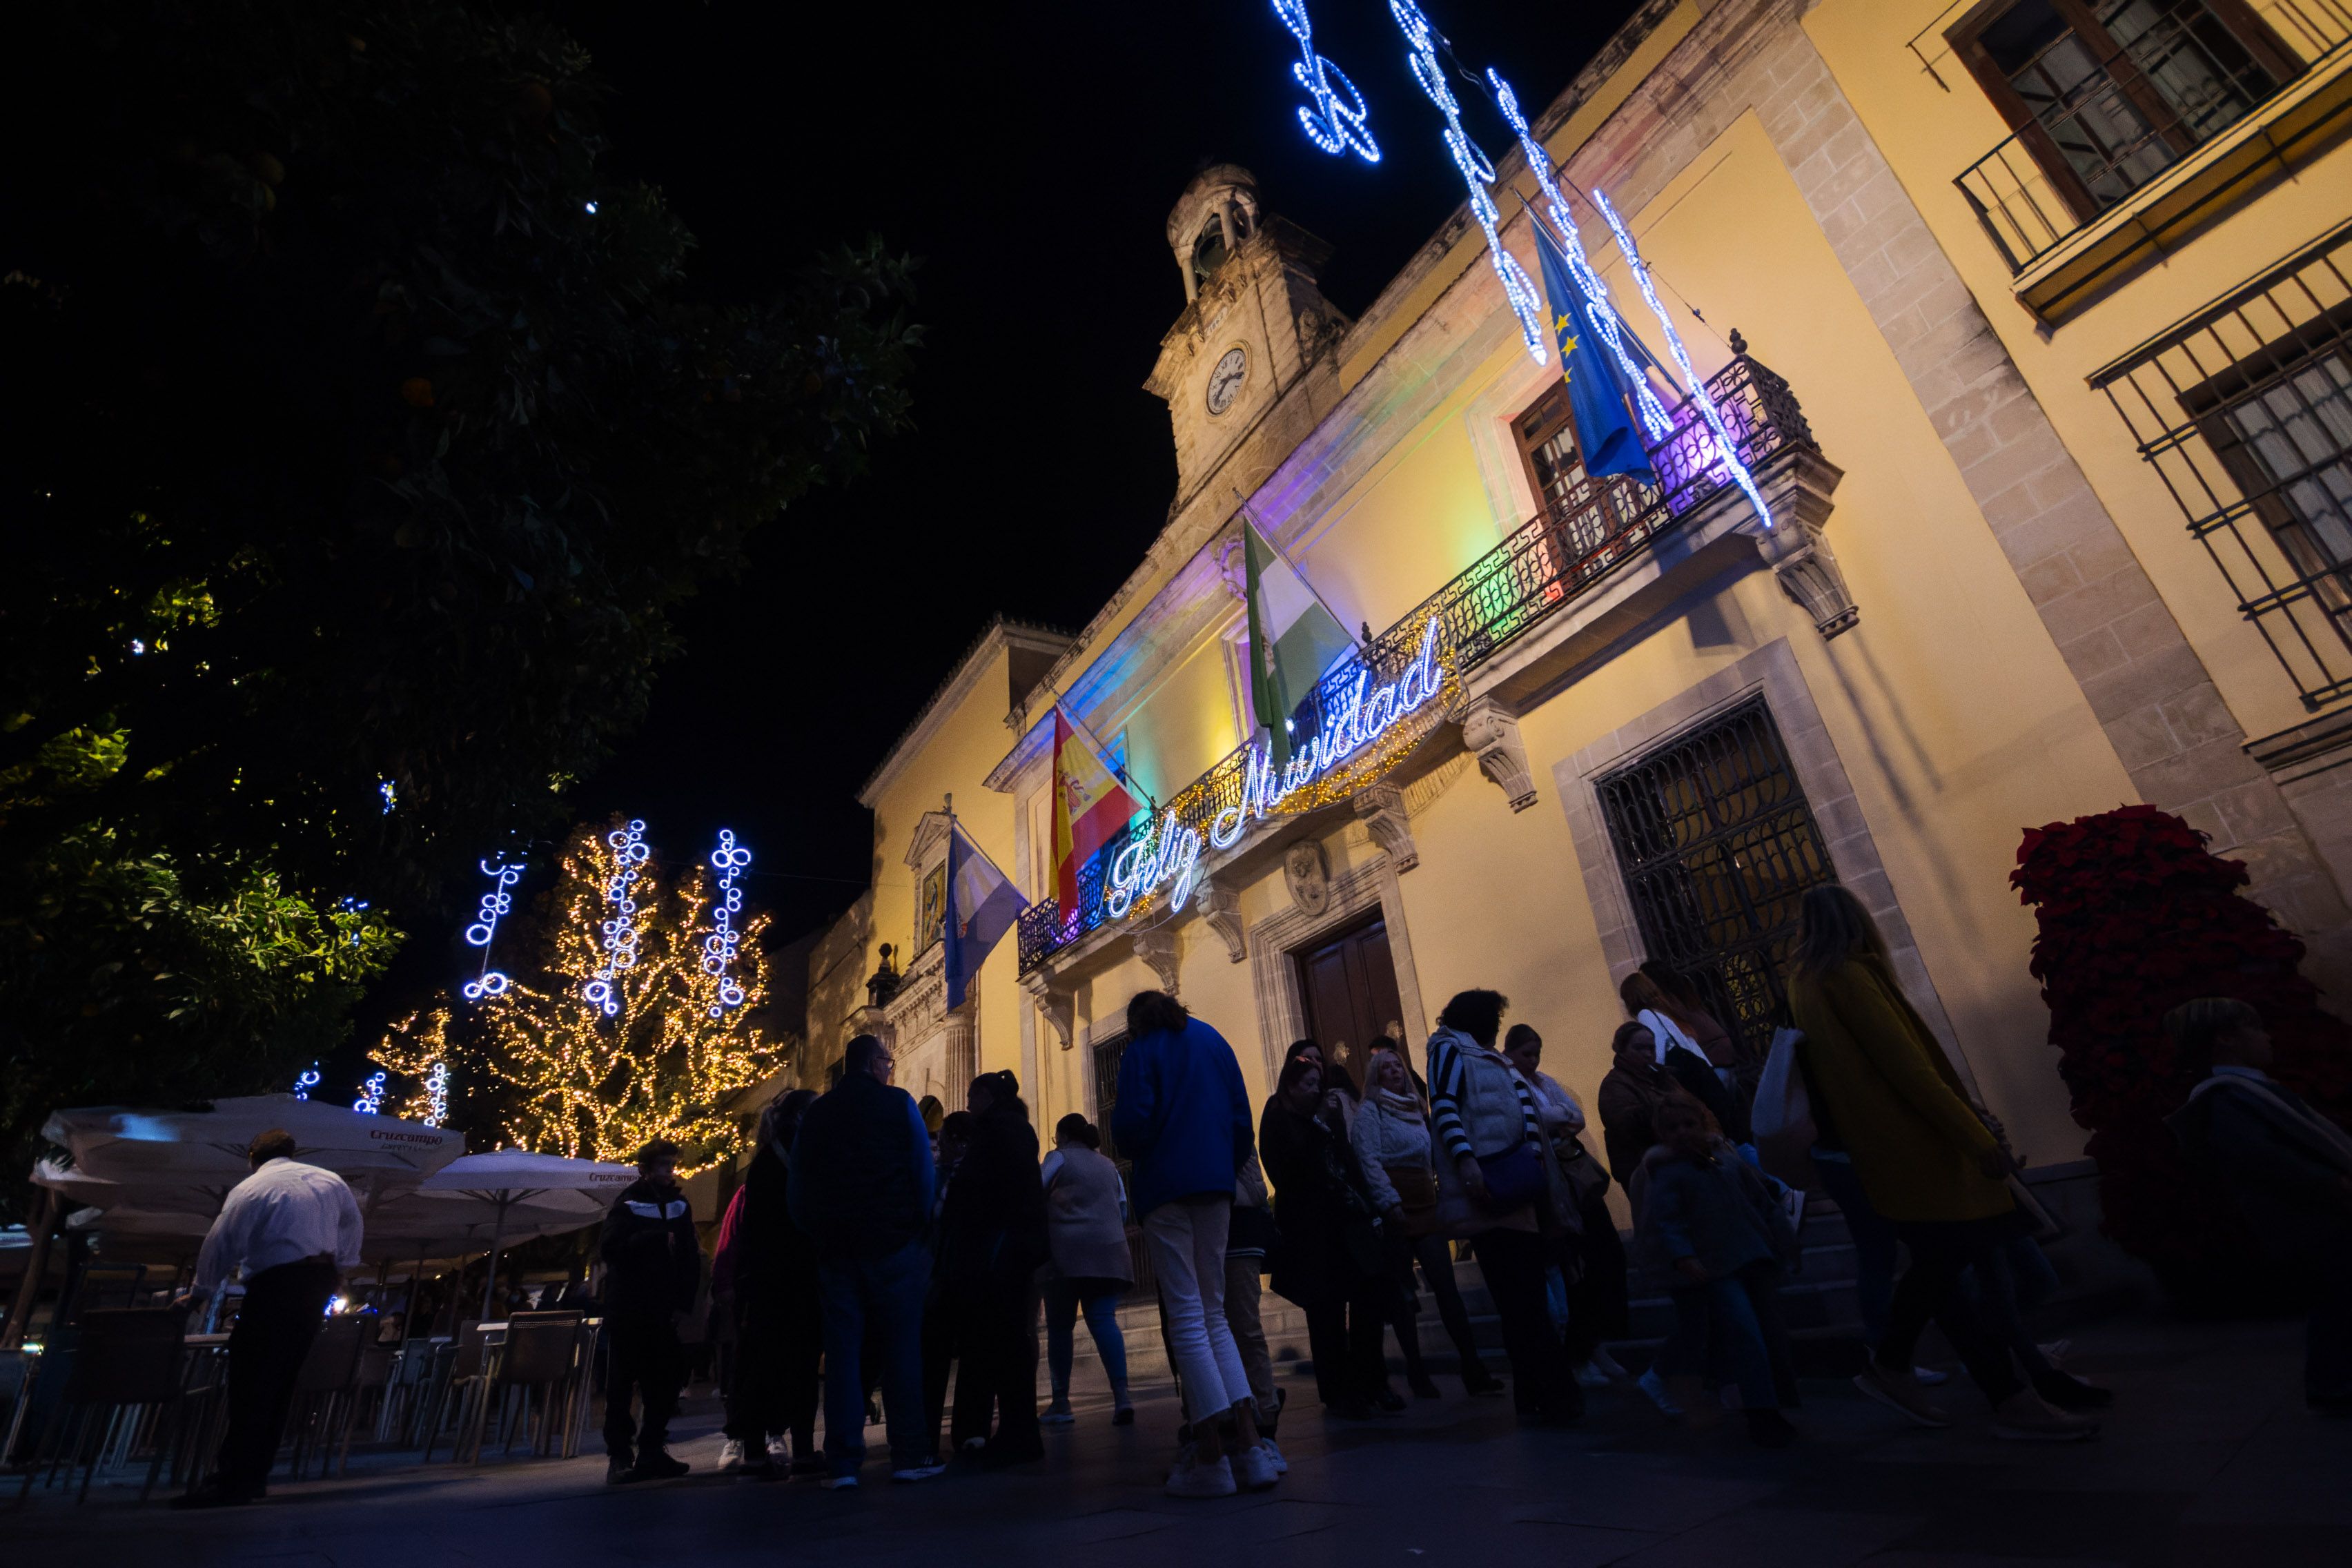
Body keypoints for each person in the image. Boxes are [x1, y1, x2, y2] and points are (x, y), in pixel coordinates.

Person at [1788, 884, 2093, 1441]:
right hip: (1921, 1150)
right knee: (1955, 1264)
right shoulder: (1851, 977)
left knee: (1944, 1277)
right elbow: (1911, 1070)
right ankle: (1914, 1369)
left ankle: (2007, 1391)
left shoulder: (1804, 984)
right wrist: (1977, 1137)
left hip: (1883, 1153)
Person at [1110, 990, 1275, 1499]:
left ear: (1138, 1022)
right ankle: (1252, 1448)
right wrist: (1218, 1166)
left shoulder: (1141, 1051)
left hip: (1167, 1190)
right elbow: (1242, 1124)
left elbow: (1130, 1129)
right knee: (1215, 1314)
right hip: (1216, 1186)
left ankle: (1211, 1455)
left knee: (1185, 1316)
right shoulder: (1214, 1041)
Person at [2166, 997, 2352, 1415]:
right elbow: (2264, 1158)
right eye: (2257, 1028)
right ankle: (2331, 1386)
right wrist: (2333, 1184)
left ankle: (2333, 1383)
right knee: (2336, 1301)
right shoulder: (2227, 1096)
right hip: (2308, 1220)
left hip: (2315, 1216)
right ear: (2226, 1039)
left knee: (2337, 1300)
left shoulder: (2247, 1090)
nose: (2268, 1037)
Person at [170, 1130, 363, 1509]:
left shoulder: (251, 1189)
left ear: (252, 1156)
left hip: (278, 1282)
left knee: (251, 1378)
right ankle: (253, 1474)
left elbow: (220, 1241)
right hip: (317, 1281)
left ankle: (234, 1479)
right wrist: (342, 1267)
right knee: (281, 1380)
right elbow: (352, 1223)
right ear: (293, 1152)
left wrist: (200, 1292)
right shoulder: (328, 1180)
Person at [788, 1034, 942, 1487]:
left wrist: (817, 1232)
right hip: (894, 1245)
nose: (891, 1070)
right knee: (901, 1350)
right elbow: (921, 1169)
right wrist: (917, 1225)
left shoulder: (817, 1113)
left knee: (841, 1357)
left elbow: (798, 1184)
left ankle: (842, 1463)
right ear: (876, 1063)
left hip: (837, 1250)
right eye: (889, 1062)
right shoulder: (899, 1104)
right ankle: (910, 1454)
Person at [1427, 990, 1581, 1427]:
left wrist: (1533, 1153)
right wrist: (1467, 1162)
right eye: (1493, 1017)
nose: (1497, 1025)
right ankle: (1557, 1393)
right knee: (1523, 1302)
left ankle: (1531, 1395)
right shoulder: (1448, 1050)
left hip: (1518, 1185)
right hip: (1488, 1191)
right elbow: (1445, 1107)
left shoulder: (1489, 1056)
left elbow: (1523, 1109)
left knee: (1524, 1301)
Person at [1639, 1095, 1801, 1447]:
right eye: (1672, 1128)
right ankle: (1761, 1412)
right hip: (1717, 1265)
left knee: (1770, 1332)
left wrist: (1785, 1242)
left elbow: (1761, 1201)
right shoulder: (1668, 1173)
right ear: (1661, 1134)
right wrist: (1684, 1256)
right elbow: (1669, 1221)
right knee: (1746, 1334)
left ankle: (1774, 1402)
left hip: (1753, 1256)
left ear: (1702, 1124)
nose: (1682, 1133)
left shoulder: (1725, 1161)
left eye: (1689, 1124)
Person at [1262, 1055, 1395, 1417]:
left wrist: (1368, 1206)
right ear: (1290, 1085)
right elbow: (1285, 1172)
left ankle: (1370, 1380)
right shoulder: (1279, 1117)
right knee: (1326, 1314)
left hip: (1347, 1222)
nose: (1316, 1090)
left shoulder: (1326, 1116)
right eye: (1308, 1083)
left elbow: (1345, 1161)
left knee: (1369, 1296)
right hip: (1312, 1231)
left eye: (1318, 1083)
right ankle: (1337, 1392)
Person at [1505, 1024, 1627, 1389]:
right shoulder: (1510, 1082)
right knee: (1574, 1267)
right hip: (1551, 1185)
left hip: (1575, 1178)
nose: (1533, 1060)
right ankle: (1578, 1354)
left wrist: (1554, 1119)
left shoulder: (1544, 1082)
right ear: (1509, 1051)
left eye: (1536, 1053)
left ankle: (1596, 1343)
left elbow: (1576, 1116)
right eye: (1526, 1053)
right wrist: (1555, 1119)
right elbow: (1532, 1121)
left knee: (1605, 1256)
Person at [939, 1069, 1048, 1467]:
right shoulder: (1019, 1128)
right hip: (1018, 1249)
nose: (967, 1104)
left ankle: (996, 1433)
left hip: (995, 1252)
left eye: (971, 1095)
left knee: (991, 1343)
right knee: (1012, 1342)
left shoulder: (994, 1131)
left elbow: (975, 1190)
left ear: (986, 1096)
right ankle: (1018, 1430)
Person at [717, 1089, 823, 1480]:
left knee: (769, 1366)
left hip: (769, 1281)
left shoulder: (767, 1162)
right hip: (787, 1280)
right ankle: (795, 1450)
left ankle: (764, 1451)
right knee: (793, 1367)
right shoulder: (788, 1161)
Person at [1351, 1041, 1458, 1400]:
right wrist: (1389, 1201)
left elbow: (1429, 1156)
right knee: (1403, 1296)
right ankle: (1416, 1369)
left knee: (1446, 1285)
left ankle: (1472, 1364)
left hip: (1426, 1205)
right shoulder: (1370, 1112)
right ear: (1375, 1076)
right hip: (1396, 1208)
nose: (1395, 1071)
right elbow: (1369, 1159)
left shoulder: (1416, 1108)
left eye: (1398, 1066)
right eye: (1387, 1068)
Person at [596, 1139, 700, 1484]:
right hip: (629, 1309)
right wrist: (652, 1239)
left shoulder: (679, 1206)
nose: (671, 1172)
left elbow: (689, 1259)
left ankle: (652, 1449)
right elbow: (610, 1249)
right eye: (664, 1166)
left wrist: (684, 1304)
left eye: (672, 1165)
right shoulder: (627, 1204)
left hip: (662, 1311)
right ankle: (620, 1455)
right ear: (646, 1170)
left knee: (664, 1382)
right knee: (622, 1384)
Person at [1039, 1115, 1134, 1427]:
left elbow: (1036, 1189)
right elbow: (1122, 1208)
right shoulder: (1108, 1165)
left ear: (1062, 1136)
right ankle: (1122, 1398)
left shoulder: (1059, 1157)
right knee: (1104, 1321)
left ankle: (1061, 1402)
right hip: (1109, 1254)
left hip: (1066, 1254)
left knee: (1061, 1328)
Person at [1621, 972, 1751, 1143]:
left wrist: (1652, 1076)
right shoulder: (1662, 1011)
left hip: (1693, 1080)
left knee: (1718, 1134)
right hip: (1707, 1072)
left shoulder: (1646, 1015)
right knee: (1730, 1130)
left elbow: (1657, 1053)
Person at [921, 1109, 975, 1467]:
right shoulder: (972, 1174)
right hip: (960, 1275)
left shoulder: (940, 1178)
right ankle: (967, 1432)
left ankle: (928, 1434)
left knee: (935, 1359)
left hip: (943, 1275)